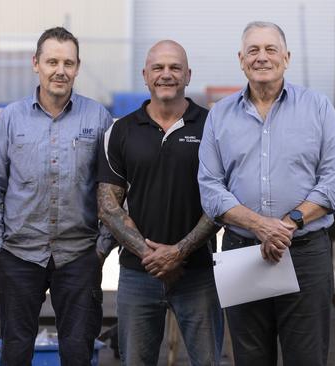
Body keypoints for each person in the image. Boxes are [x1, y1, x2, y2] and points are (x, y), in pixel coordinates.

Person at [198, 21, 335, 366]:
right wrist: (259, 226)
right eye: (253, 50)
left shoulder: (318, 107)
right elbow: (210, 188)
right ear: (241, 59)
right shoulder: (219, 116)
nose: (262, 57)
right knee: (250, 358)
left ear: (286, 57)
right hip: (242, 253)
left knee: (306, 357)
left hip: (305, 253)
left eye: (270, 49)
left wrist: (287, 224)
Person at [0, 27, 114, 366]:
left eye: (68, 62)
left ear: (78, 67)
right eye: (52, 61)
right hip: (19, 256)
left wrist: (101, 247)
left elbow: (114, 190)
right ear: (35, 63)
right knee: (15, 351)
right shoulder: (11, 119)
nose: (60, 70)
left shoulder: (97, 119)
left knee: (79, 352)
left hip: (79, 256)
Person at [97, 40, 224, 366]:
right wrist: (150, 255)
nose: (166, 75)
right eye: (158, 68)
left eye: (175, 68)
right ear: (145, 75)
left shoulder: (213, 127)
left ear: (188, 75)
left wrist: (179, 252)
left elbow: (222, 201)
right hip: (137, 275)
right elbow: (109, 206)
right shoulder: (120, 131)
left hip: (198, 274)